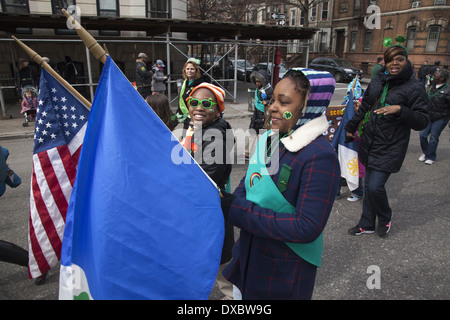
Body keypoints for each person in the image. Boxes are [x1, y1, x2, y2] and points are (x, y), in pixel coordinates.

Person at [221, 68, 340, 300]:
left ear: (309, 107)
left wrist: (237, 210)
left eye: (284, 102)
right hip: (249, 253)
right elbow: (249, 184)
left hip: (283, 270)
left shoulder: (320, 156)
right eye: (272, 99)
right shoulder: (271, 139)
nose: (272, 107)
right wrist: (230, 202)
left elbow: (307, 226)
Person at [345, 45, 429, 237]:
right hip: (370, 140)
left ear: (407, 61)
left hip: (391, 145)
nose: (394, 63)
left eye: (399, 59)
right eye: (390, 59)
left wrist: (400, 110)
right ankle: (366, 223)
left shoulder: (414, 88)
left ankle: (384, 217)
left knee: (375, 186)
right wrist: (351, 127)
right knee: (368, 186)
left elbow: (423, 121)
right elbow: (365, 106)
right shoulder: (377, 81)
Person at [180, 83, 235, 300]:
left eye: (206, 104)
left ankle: (232, 297)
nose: (199, 108)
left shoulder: (215, 135)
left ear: (218, 109)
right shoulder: (196, 128)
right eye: (194, 103)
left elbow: (206, 178)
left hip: (209, 205)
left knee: (220, 256)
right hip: (196, 204)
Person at [419, 68, 450, 165]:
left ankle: (430, 156)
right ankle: (426, 152)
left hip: (441, 118)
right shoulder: (431, 87)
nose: (433, 77)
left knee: (433, 137)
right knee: (422, 135)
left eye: (436, 76)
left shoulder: (448, 90)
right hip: (429, 115)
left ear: (442, 78)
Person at [244, 70, 273, 159]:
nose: (257, 83)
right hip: (256, 115)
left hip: (264, 116)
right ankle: (247, 153)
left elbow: (274, 101)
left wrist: (267, 102)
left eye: (259, 82)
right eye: (256, 81)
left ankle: (260, 155)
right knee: (252, 133)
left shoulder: (269, 90)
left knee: (261, 136)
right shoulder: (258, 90)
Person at [175, 58, 210, 129]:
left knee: (196, 138)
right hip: (187, 117)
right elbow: (182, 98)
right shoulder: (185, 82)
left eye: (192, 69)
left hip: (197, 117)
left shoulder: (200, 84)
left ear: (197, 70)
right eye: (187, 69)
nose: (189, 71)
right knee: (186, 138)